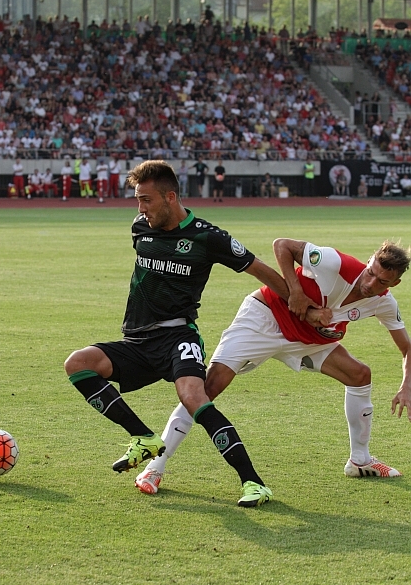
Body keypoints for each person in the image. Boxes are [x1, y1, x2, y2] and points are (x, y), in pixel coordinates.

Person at [64, 160, 295, 507]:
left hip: (178, 337)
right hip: (138, 341)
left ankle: (254, 483)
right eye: (137, 200)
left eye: (146, 200)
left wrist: (298, 300)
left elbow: (259, 269)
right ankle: (143, 437)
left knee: (193, 397)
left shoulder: (208, 237)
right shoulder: (140, 228)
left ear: (170, 197)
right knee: (78, 364)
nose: (140, 208)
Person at [136, 238, 411, 495]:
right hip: (264, 318)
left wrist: (406, 385)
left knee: (359, 375)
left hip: (307, 340)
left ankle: (360, 460)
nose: (370, 282)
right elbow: (282, 246)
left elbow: (407, 347)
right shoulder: (335, 263)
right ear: (369, 261)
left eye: (381, 281)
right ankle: (154, 468)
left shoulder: (383, 303)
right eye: (370, 272)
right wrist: (296, 292)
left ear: (394, 283)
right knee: (208, 387)